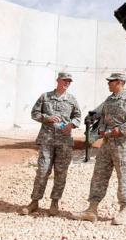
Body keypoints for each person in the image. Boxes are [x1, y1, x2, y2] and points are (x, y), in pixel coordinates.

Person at [74, 72, 126, 225]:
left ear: (119, 82)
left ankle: (123, 210)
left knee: (123, 176)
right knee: (99, 175)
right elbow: (99, 111)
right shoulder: (110, 99)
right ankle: (92, 209)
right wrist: (91, 117)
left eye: (111, 81)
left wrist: (121, 129)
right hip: (106, 143)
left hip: (122, 145)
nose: (108, 84)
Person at [20, 72, 82, 216]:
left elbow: (78, 117)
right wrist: (47, 118)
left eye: (69, 81)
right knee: (42, 171)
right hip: (47, 140)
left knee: (60, 173)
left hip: (64, 142)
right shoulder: (45, 97)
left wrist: (71, 125)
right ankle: (34, 202)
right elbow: (34, 113)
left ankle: (54, 202)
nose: (67, 83)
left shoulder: (72, 100)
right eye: (64, 80)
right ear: (58, 80)